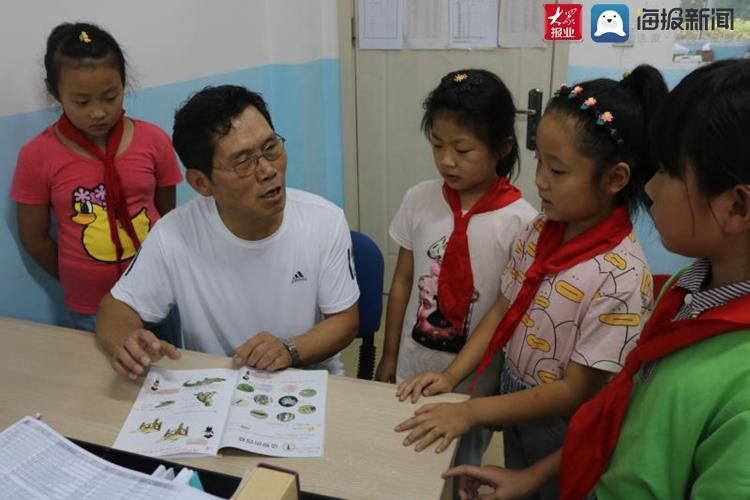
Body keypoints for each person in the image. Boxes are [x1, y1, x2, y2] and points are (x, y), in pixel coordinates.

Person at [444, 59, 750, 500]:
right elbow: (619, 410)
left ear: (737, 207)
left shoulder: (626, 277)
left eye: (666, 172)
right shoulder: (686, 290)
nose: (649, 189)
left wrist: (472, 414)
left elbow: (588, 397)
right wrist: (531, 475)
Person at [396, 65, 667, 499]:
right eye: (539, 160)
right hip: (520, 401)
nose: (539, 180)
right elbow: (504, 307)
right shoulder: (540, 231)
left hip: (567, 424)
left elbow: (575, 390)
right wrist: (452, 378)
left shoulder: (621, 275)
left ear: (615, 178)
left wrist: (472, 414)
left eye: (557, 171)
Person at [95, 85, 359, 379]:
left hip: (306, 380)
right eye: (243, 161)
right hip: (217, 387)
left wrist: (289, 348)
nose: (268, 170)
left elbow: (345, 320)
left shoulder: (324, 220)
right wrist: (127, 341)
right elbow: (116, 307)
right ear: (201, 183)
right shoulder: (175, 234)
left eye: (270, 148)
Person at [373, 69, 537, 467]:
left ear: (501, 147)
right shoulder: (419, 200)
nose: (446, 160)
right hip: (413, 365)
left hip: (473, 385)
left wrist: (472, 383)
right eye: (437, 145)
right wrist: (390, 353)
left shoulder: (521, 222)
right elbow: (403, 282)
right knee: (406, 460)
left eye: (462, 150)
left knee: (461, 467)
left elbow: (503, 313)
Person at [10, 22, 183, 332]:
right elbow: (34, 239)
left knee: (167, 375)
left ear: (123, 83)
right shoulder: (37, 155)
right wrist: (77, 278)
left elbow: (167, 218)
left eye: (110, 96)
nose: (99, 112)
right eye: (82, 101)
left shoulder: (154, 141)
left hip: (157, 294)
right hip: (91, 307)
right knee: (99, 380)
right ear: (54, 91)